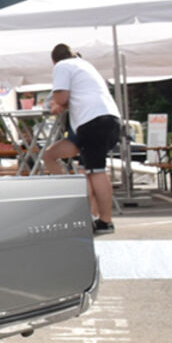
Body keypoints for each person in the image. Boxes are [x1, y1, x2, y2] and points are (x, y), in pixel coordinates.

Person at [41, 43, 122, 233]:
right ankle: (82, 208)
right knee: (52, 155)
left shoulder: (62, 66)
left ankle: (106, 221)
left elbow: (61, 98)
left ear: (53, 61)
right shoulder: (84, 65)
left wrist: (56, 104)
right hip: (104, 120)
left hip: (92, 122)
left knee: (96, 172)